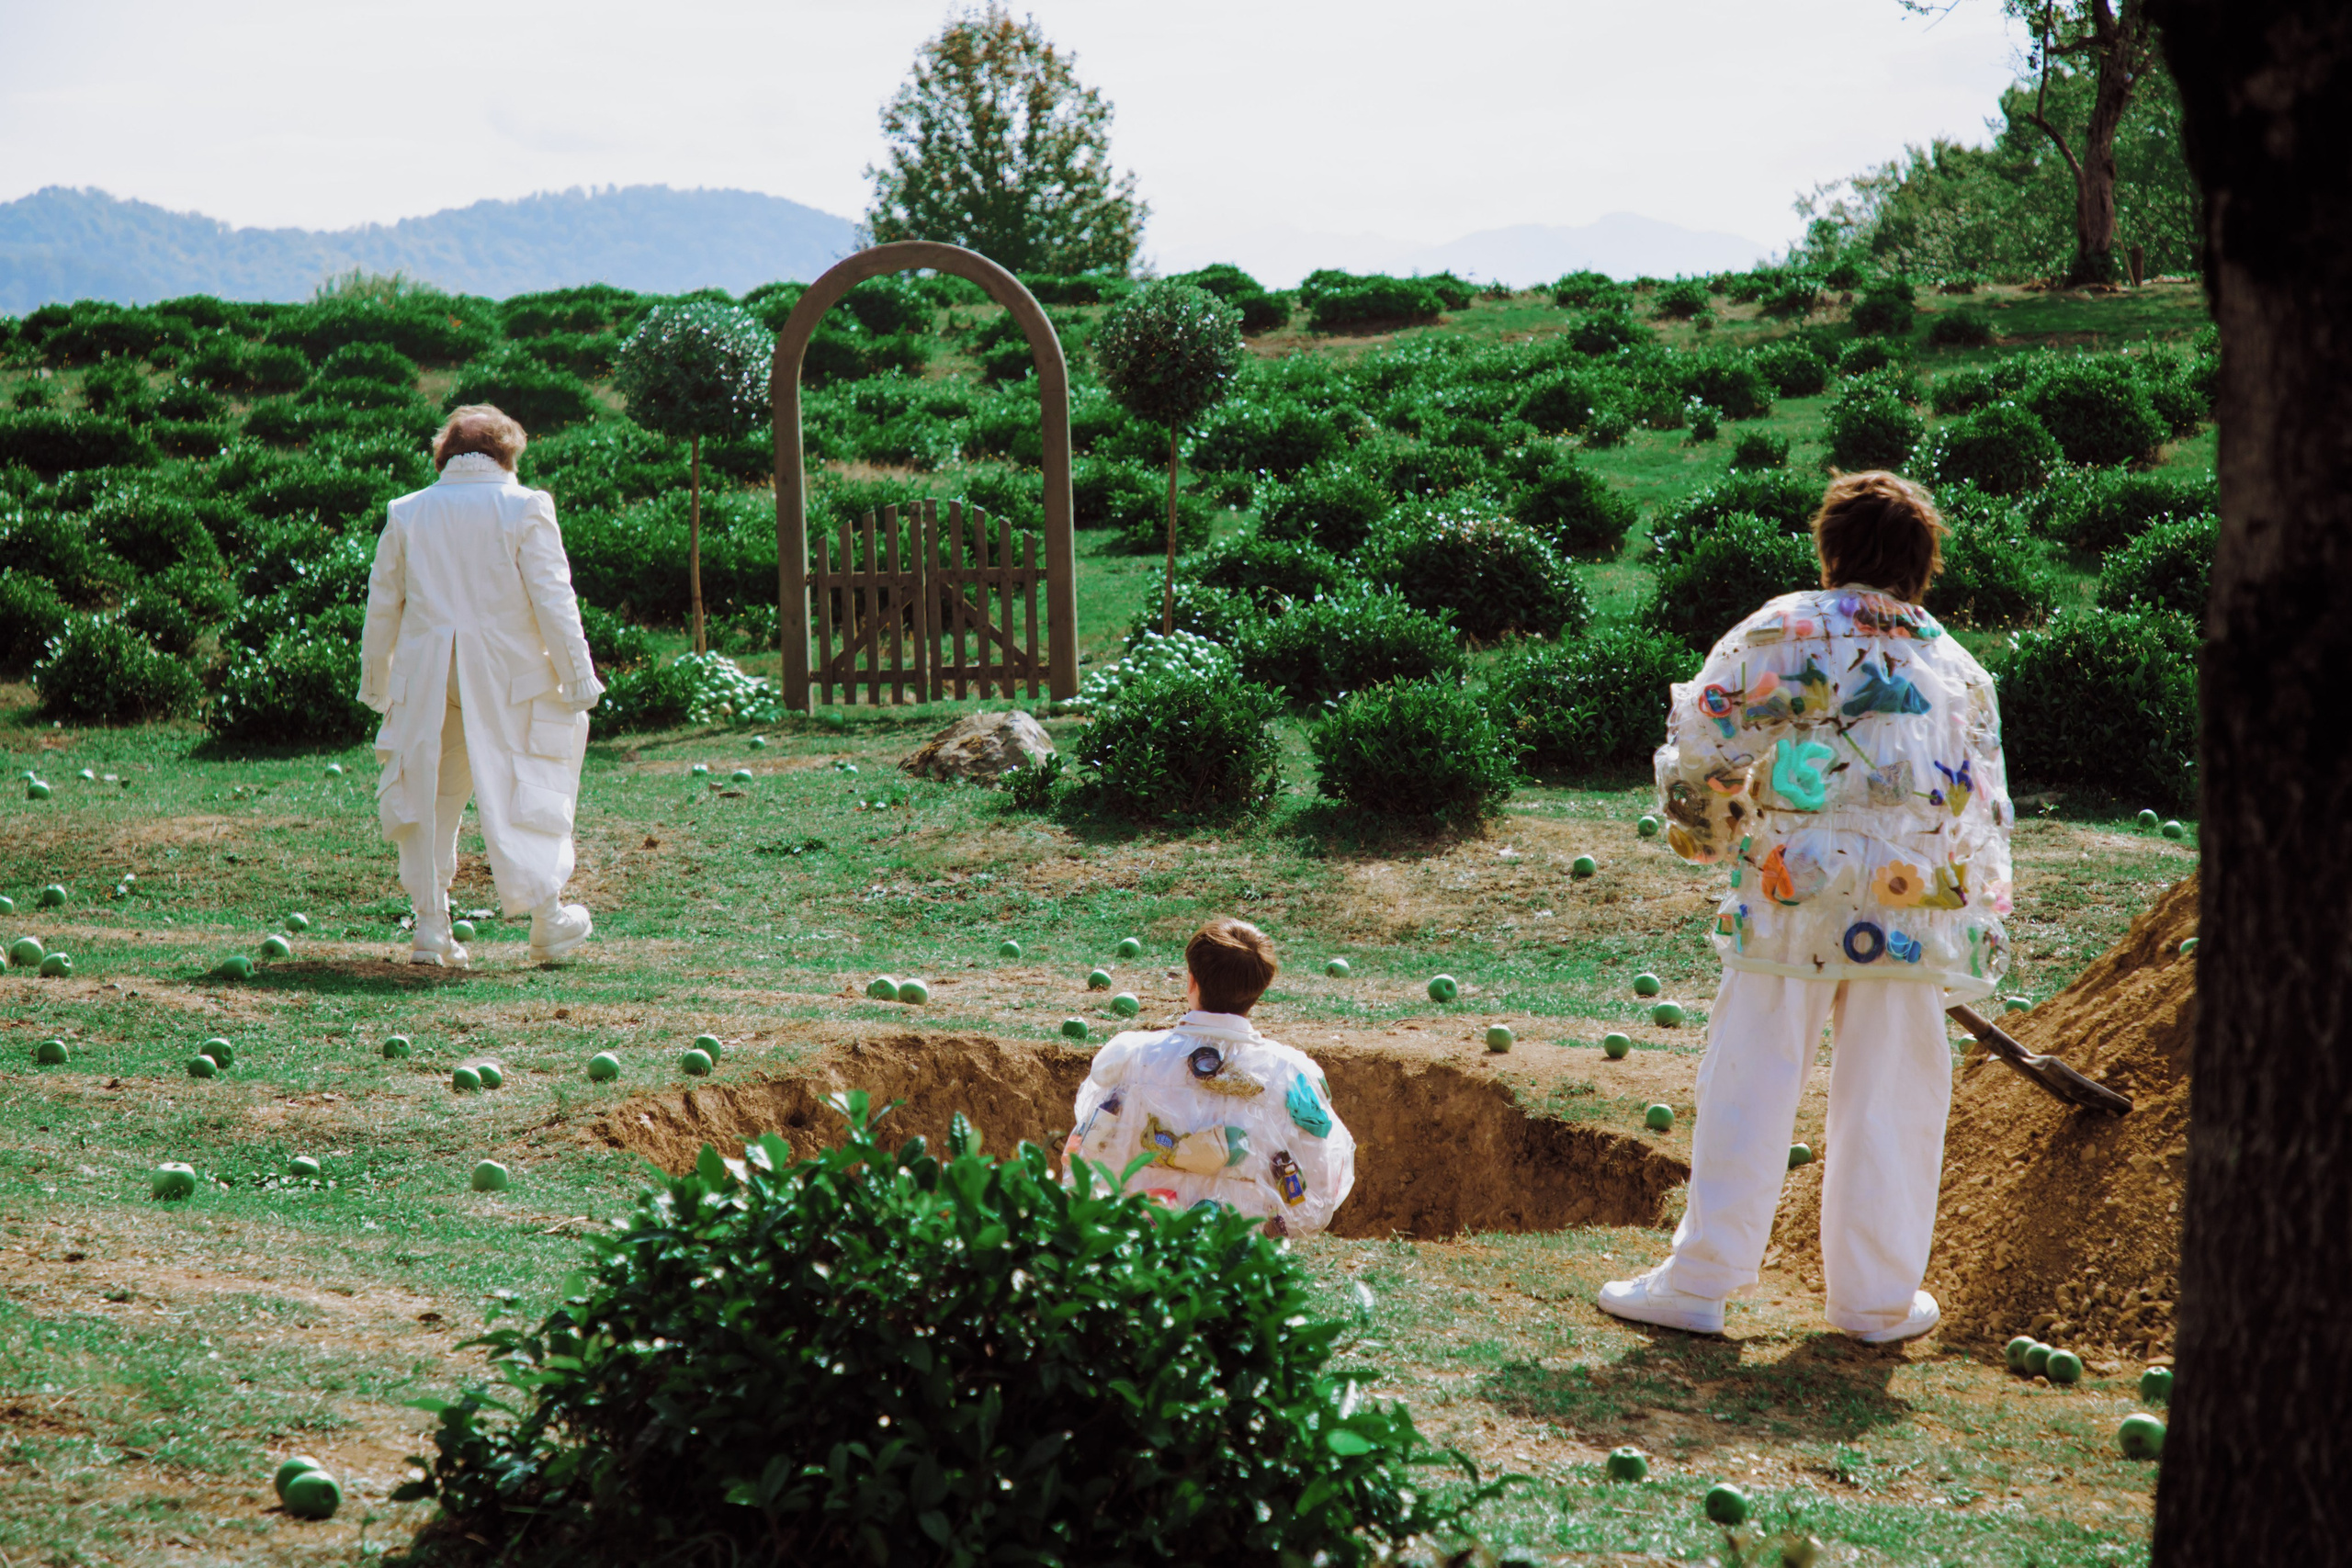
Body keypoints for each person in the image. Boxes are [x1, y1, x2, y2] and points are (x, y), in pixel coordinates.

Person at [1600, 470, 2013, 1343]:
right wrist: (1969, 924)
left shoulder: (1777, 628)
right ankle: (1877, 1303)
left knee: (1750, 1076)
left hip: (1789, 895)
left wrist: (1718, 827)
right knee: (1893, 1098)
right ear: (1921, 563)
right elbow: (1982, 810)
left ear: (1830, 549)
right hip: (1913, 909)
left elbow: (1701, 746)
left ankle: (1701, 1282)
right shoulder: (1959, 667)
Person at [359, 405, 604, 967]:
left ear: (446, 454)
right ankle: (547, 917)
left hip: (426, 678)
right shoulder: (525, 506)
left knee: (428, 793)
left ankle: (429, 927)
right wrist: (578, 675)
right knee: (529, 775)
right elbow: (553, 599)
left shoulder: (408, 511)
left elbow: (383, 604)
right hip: (508, 674)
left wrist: (377, 684)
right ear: (508, 451)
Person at [1063, 919, 1356, 1237]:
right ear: (1259, 991)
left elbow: (1087, 1162)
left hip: (1145, 1251)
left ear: (1191, 981)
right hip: (1241, 1260)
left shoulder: (1133, 1057)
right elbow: (1322, 1189)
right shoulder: (1292, 1073)